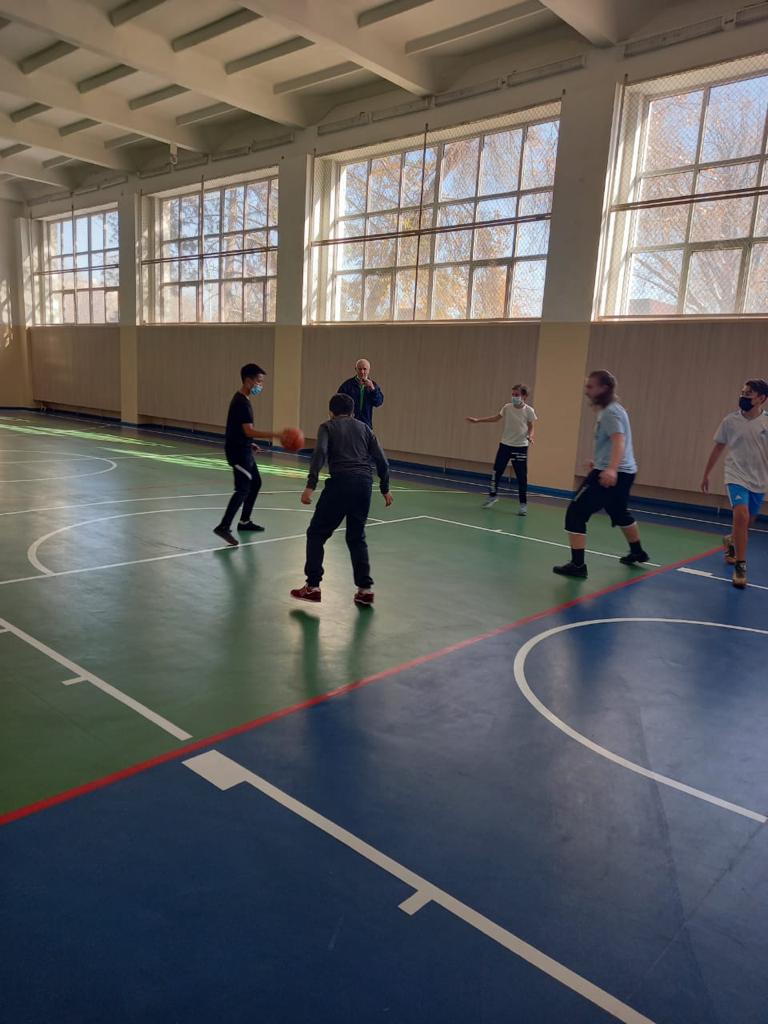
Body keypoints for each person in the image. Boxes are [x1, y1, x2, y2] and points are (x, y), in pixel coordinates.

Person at [291, 392, 392, 606]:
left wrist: (310, 485)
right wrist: (385, 488)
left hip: (341, 483)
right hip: (364, 485)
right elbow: (382, 461)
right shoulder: (365, 428)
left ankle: (313, 586)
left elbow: (320, 453)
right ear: (353, 412)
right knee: (356, 537)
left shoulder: (327, 427)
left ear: (331, 412)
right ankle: (364, 590)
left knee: (316, 533)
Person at [553, 369, 649, 579]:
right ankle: (638, 552)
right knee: (619, 512)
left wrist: (610, 468)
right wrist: (599, 462)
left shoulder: (610, 413)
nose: (587, 391)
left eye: (590, 387)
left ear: (604, 388)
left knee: (576, 512)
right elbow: (614, 443)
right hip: (626, 471)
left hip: (613, 473)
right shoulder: (613, 409)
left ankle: (577, 565)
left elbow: (619, 440)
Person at [700, 378, 768, 589]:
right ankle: (741, 565)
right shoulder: (730, 421)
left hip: (759, 479)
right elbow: (718, 447)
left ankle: (731, 540)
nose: (743, 397)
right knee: (741, 515)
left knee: (746, 523)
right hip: (735, 475)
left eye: (749, 394)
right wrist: (706, 474)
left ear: (762, 398)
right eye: (743, 393)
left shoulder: (766, 422)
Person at [213, 363, 268, 548]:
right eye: (259, 381)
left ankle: (244, 521)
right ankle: (223, 526)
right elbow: (248, 430)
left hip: (244, 449)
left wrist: (249, 442)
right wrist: (276, 435)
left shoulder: (243, 399)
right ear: (248, 380)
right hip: (238, 453)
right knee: (243, 489)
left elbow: (237, 429)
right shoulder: (241, 403)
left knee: (256, 482)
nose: (261, 385)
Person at [466, 384, 537, 515]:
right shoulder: (507, 407)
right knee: (496, 472)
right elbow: (496, 418)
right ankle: (492, 496)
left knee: (521, 477)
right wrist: (478, 420)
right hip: (505, 445)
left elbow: (531, 426)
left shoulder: (529, 411)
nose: (514, 397)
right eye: (513, 394)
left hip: (520, 447)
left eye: (517, 395)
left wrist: (530, 436)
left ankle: (523, 505)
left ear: (524, 396)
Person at [337, 358, 384, 427]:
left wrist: (373, 389)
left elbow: (378, 402)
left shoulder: (373, 385)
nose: (362, 372)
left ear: (369, 370)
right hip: (349, 424)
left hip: (366, 425)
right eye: (360, 369)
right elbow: (338, 403)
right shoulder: (347, 385)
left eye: (365, 369)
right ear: (356, 369)